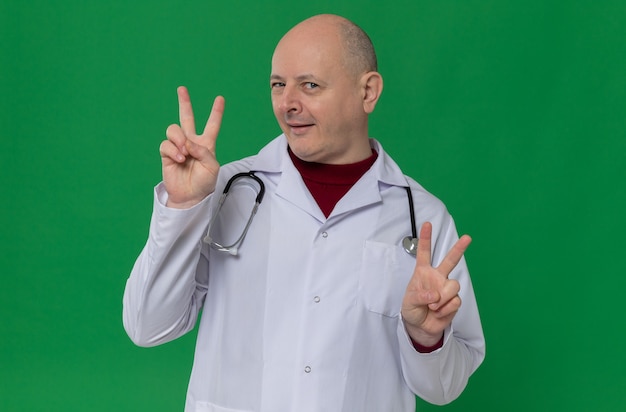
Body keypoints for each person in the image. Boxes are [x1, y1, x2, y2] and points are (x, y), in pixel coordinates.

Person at [123, 13, 485, 412]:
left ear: (368, 92)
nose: (288, 104)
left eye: (310, 85)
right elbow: (148, 327)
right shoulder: (227, 190)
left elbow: (444, 388)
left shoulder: (422, 218)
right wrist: (183, 206)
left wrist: (425, 337)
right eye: (278, 85)